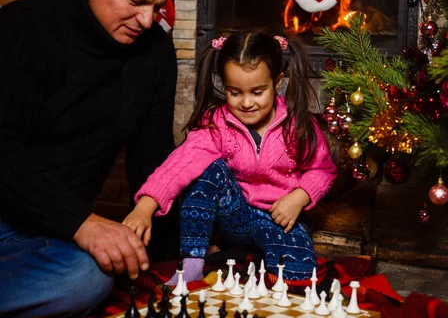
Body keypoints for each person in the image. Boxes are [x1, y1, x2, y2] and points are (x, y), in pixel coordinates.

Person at [0, 0, 178, 316]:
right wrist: (84, 223)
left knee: (89, 277)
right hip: (18, 216)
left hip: (50, 236)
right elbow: (4, 154)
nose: (148, 20)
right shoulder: (21, 28)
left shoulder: (156, 54)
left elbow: (151, 158)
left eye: (157, 5)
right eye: (135, 1)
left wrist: (174, 262)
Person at [124, 32, 337, 282]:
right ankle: (193, 262)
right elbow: (181, 162)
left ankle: (237, 255)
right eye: (235, 92)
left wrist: (300, 197)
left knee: (299, 276)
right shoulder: (216, 123)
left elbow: (323, 170)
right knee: (205, 168)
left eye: (257, 92)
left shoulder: (298, 124)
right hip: (235, 216)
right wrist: (145, 206)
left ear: (277, 82)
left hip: (280, 217)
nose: (246, 103)